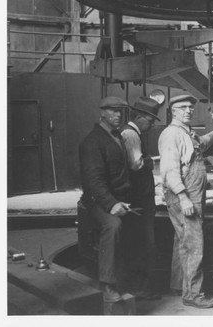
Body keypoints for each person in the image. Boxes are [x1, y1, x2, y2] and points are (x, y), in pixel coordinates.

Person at [158, 94, 213, 309]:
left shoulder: (186, 133)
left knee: (184, 242)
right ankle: (193, 295)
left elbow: (203, 143)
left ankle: (179, 286)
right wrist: (183, 197)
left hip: (192, 194)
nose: (188, 110)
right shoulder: (171, 135)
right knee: (194, 245)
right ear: (173, 111)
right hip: (186, 195)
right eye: (183, 108)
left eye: (190, 107)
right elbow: (169, 170)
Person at [79, 96, 133, 303]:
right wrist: (112, 205)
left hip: (118, 197)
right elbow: (94, 182)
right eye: (113, 110)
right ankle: (108, 284)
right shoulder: (92, 141)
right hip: (97, 200)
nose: (118, 114)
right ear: (102, 113)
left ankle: (130, 279)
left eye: (120, 111)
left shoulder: (115, 136)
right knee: (113, 225)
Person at [120, 96, 164, 300]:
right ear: (138, 117)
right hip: (138, 199)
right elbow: (136, 164)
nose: (152, 124)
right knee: (142, 243)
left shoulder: (132, 133)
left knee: (140, 242)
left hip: (139, 197)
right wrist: (150, 162)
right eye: (150, 119)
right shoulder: (131, 135)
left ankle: (140, 286)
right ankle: (140, 288)